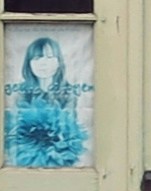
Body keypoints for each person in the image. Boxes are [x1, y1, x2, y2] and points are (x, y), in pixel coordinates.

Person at [5, 30, 90, 170]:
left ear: (59, 62)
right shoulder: (20, 93)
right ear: (28, 64)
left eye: (49, 57)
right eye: (37, 58)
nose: (43, 63)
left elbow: (69, 128)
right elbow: (14, 129)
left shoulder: (68, 93)